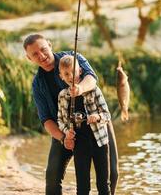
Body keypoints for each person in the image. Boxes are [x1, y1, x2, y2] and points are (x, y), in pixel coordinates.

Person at [23, 34, 118, 195]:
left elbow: (91, 78)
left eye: (43, 49)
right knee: (53, 178)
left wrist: (80, 88)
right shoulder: (37, 83)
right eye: (35, 54)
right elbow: (46, 119)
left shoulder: (74, 57)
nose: (42, 55)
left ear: (50, 45)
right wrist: (63, 137)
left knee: (112, 174)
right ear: (29, 58)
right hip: (66, 130)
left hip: (96, 123)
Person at [58, 55, 110, 194]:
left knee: (103, 184)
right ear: (61, 76)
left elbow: (107, 115)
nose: (71, 76)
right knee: (82, 186)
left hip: (100, 142)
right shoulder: (62, 96)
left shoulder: (93, 89)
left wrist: (97, 117)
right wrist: (66, 131)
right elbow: (61, 121)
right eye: (66, 74)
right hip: (80, 144)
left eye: (73, 72)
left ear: (80, 71)